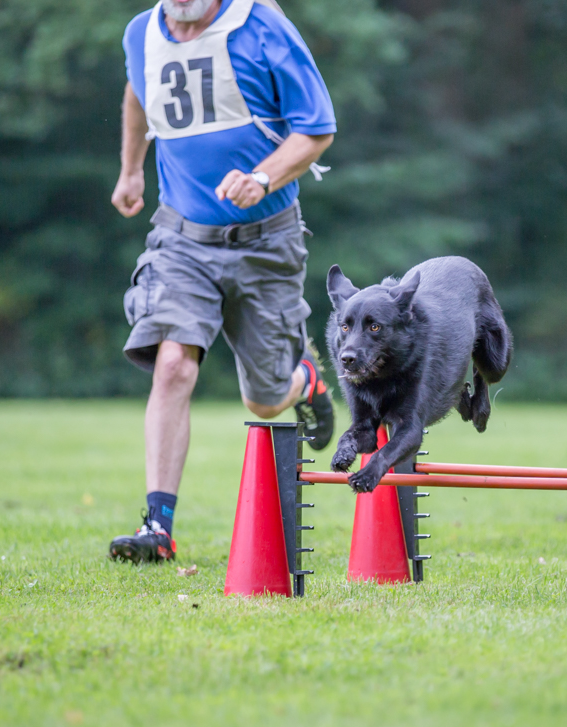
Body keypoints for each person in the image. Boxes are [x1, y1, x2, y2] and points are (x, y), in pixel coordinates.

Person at [107, 0, 336, 563]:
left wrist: (262, 176)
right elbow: (137, 92)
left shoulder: (262, 26)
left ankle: (303, 380)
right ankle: (157, 528)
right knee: (173, 364)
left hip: (266, 242)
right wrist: (132, 169)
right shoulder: (142, 33)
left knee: (264, 401)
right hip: (182, 239)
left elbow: (317, 129)